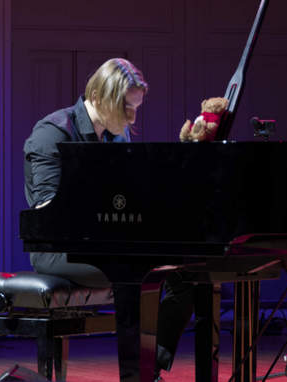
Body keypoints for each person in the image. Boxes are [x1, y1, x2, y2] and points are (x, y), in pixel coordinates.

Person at [23, 58, 190, 381]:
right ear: (98, 97)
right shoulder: (52, 133)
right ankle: (138, 372)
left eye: (137, 108)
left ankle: (149, 366)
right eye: (126, 108)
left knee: (188, 277)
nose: (132, 117)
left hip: (107, 245)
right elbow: (47, 212)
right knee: (136, 270)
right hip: (59, 250)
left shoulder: (117, 137)